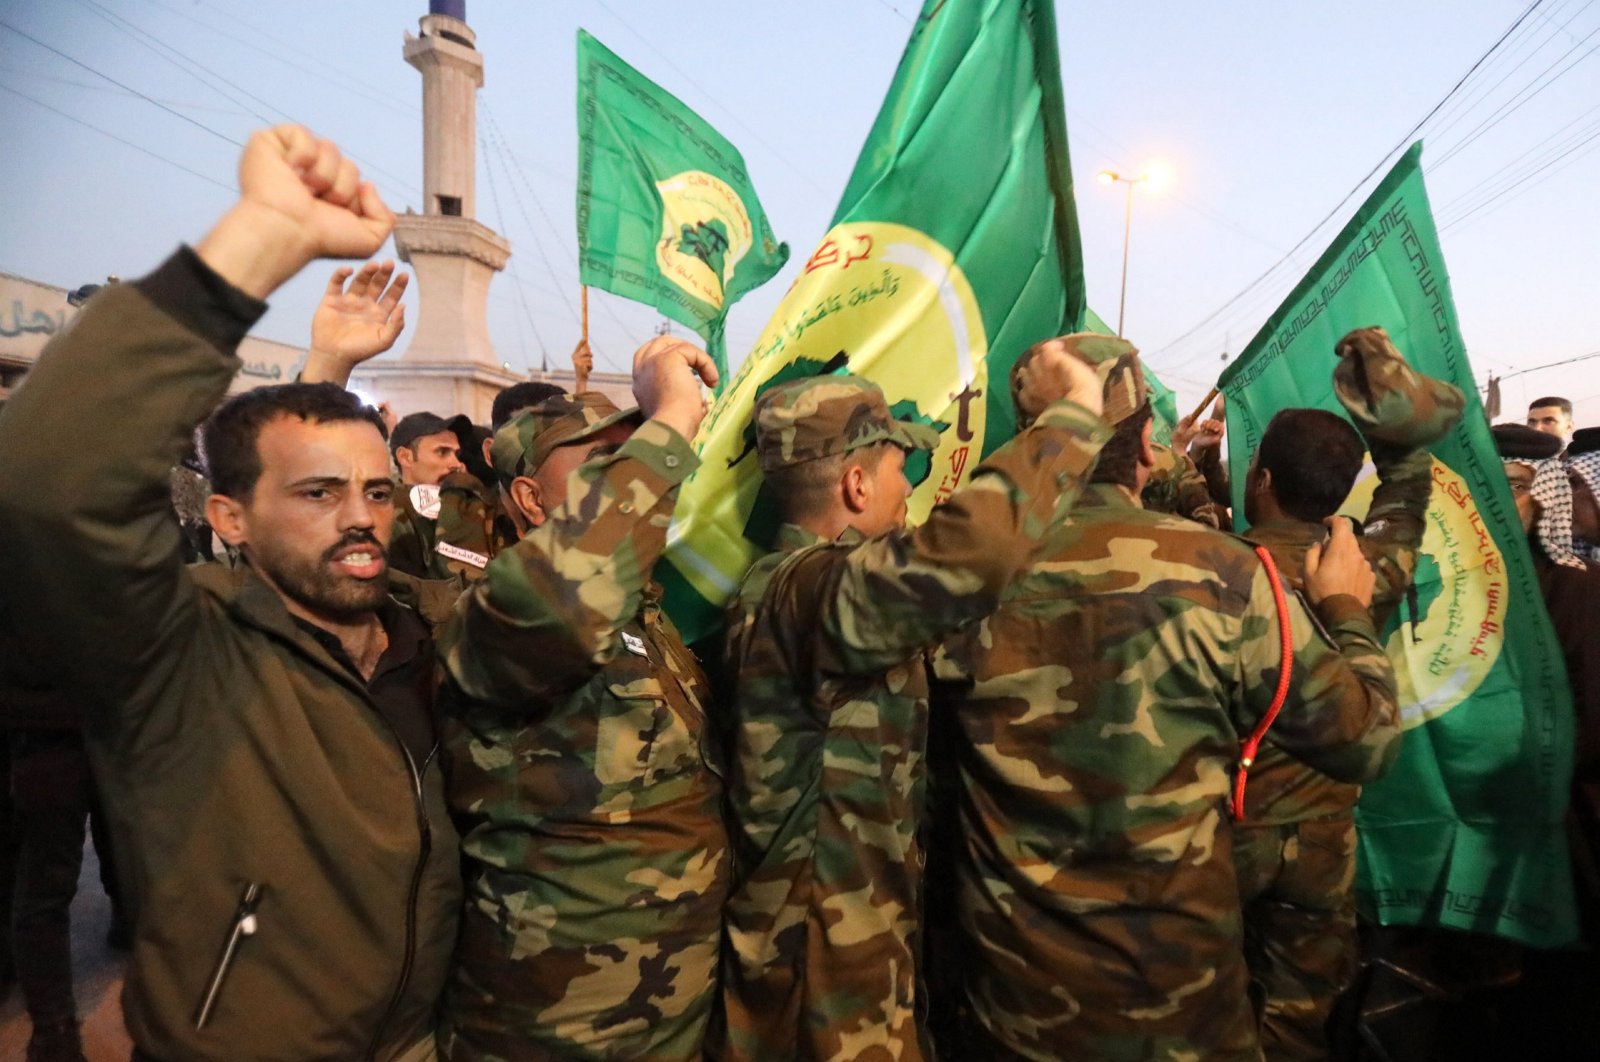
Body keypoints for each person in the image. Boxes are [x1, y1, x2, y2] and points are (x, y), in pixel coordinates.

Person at [0, 124, 460, 1061]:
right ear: (229, 518)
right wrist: (260, 238)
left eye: (377, 491)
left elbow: (294, 480)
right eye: (321, 495)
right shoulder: (184, 647)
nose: (361, 517)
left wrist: (326, 376)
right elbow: (54, 483)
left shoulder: (421, 630)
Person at [936, 339, 1401, 1061]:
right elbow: (1363, 740)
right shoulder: (1223, 573)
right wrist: (1345, 611)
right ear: (1146, 448)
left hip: (1009, 1002)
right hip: (1178, 1008)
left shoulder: (960, 571)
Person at [720, 340, 1116, 1061]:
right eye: (901, 469)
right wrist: (1075, 416)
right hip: (822, 985)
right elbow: (965, 556)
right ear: (857, 486)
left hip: (850, 953)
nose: (911, 491)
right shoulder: (808, 593)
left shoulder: (794, 589)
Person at [435, 338, 729, 1061]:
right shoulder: (500, 615)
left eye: (632, 452)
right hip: (556, 1030)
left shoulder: (643, 613)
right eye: (601, 463)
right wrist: (674, 417)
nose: (632, 474)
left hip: (667, 1014)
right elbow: (569, 596)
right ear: (531, 498)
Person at [1230, 327, 1462, 1060]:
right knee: (1300, 1014)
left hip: (1222, 831)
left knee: (1209, 1001)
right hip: (1324, 837)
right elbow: (1406, 492)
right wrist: (1395, 416)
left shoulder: (1210, 572)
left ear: (1260, 481)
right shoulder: (1368, 569)